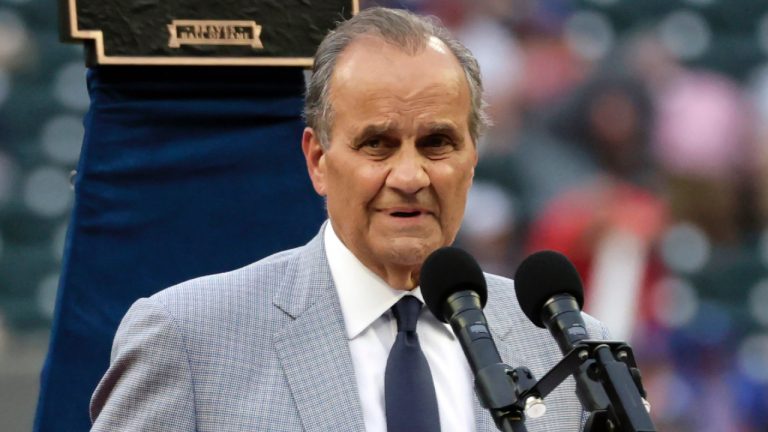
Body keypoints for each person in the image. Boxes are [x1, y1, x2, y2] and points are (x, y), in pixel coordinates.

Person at [89, 7, 607, 432]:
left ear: (472, 160)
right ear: (318, 160)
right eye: (377, 144)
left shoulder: (564, 345)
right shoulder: (188, 338)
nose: (410, 175)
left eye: (437, 143)